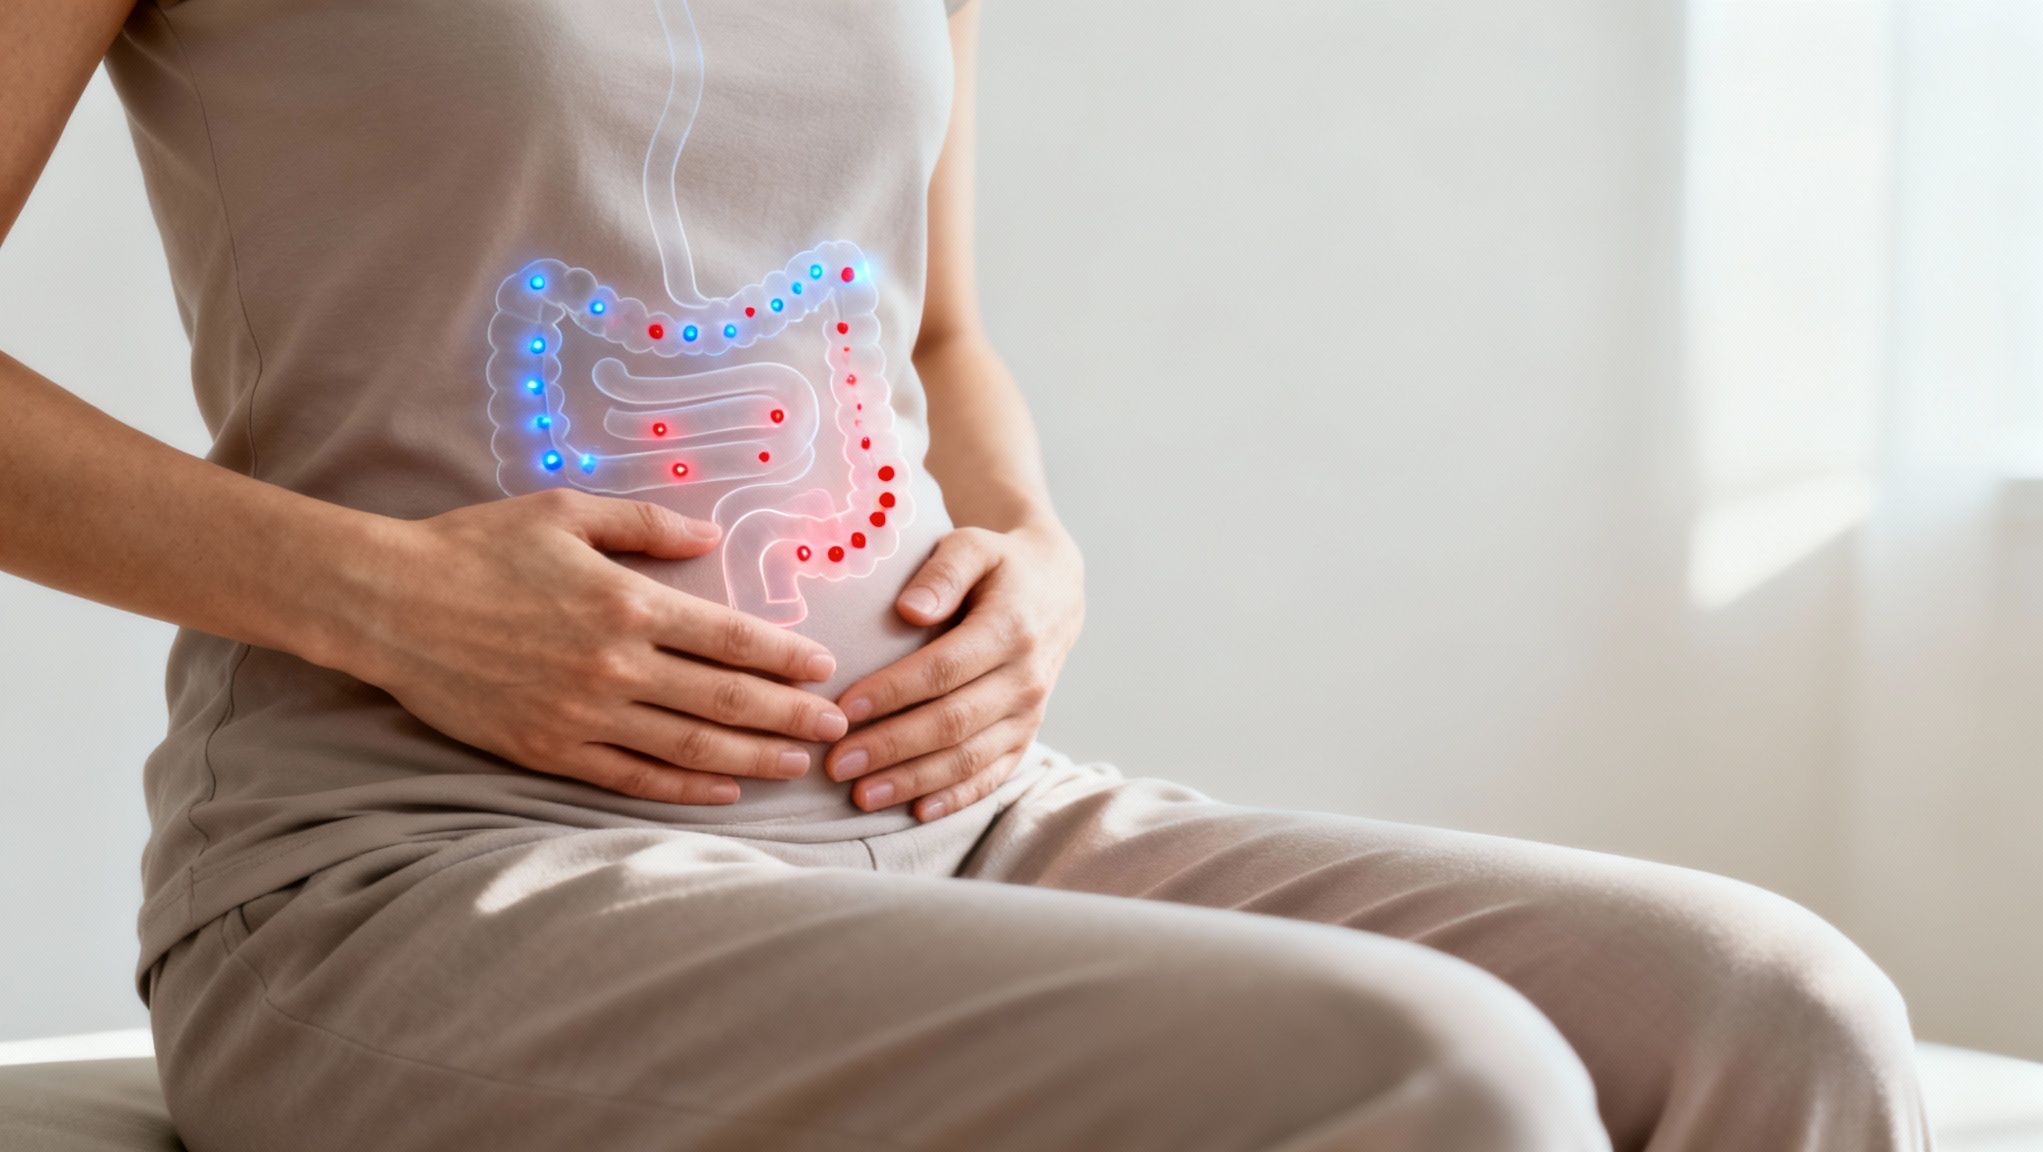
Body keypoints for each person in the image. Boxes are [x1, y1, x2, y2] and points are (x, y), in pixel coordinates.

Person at [1, 2, 1930, 1149]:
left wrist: (1034, 555)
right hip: (434, 862)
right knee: (1454, 1083)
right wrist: (379, 597)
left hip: (956, 813)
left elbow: (931, 342)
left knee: (1783, 1010)